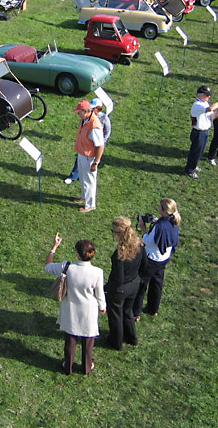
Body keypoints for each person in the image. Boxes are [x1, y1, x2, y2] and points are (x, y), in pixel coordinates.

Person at [44, 233, 106, 375]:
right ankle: (87, 366)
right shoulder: (97, 272)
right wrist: (102, 307)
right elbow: (99, 294)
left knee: (70, 341)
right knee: (88, 343)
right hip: (89, 311)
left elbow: (47, 266)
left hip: (70, 308)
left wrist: (54, 247)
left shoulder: (67, 267)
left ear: (77, 254)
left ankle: (68, 366)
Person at [132, 198, 180, 319]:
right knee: (157, 283)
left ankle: (135, 313)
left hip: (151, 259)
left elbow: (148, 241)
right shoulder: (174, 221)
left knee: (141, 285)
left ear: (163, 210)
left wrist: (143, 228)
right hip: (164, 258)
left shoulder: (160, 227)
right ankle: (153, 309)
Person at [104, 217, 145, 350]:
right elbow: (145, 265)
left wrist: (106, 289)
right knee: (128, 312)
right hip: (134, 285)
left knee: (115, 315)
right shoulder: (139, 245)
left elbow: (118, 278)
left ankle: (115, 342)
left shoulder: (119, 254)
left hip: (120, 289)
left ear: (118, 233)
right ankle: (131, 338)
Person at [64, 98, 111, 185]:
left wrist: (96, 161)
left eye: (94, 108)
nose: (92, 110)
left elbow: (106, 133)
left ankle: (86, 195)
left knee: (89, 179)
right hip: (84, 148)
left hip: (91, 151)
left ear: (98, 108)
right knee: (79, 165)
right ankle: (74, 177)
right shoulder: (86, 118)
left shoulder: (101, 120)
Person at [185, 86, 218, 178]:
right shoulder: (198, 105)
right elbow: (209, 109)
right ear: (201, 95)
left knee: (200, 151)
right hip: (198, 132)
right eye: (207, 95)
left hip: (204, 132)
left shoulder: (205, 103)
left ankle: (194, 165)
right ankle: (190, 170)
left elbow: (211, 116)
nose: (209, 97)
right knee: (195, 152)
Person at [72, 99, 104, 212]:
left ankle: (90, 205)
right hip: (82, 154)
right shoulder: (85, 120)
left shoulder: (94, 126)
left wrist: (96, 162)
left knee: (89, 181)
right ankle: (84, 197)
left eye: (79, 112)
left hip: (89, 158)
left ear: (86, 111)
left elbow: (100, 145)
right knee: (82, 177)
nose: (77, 114)